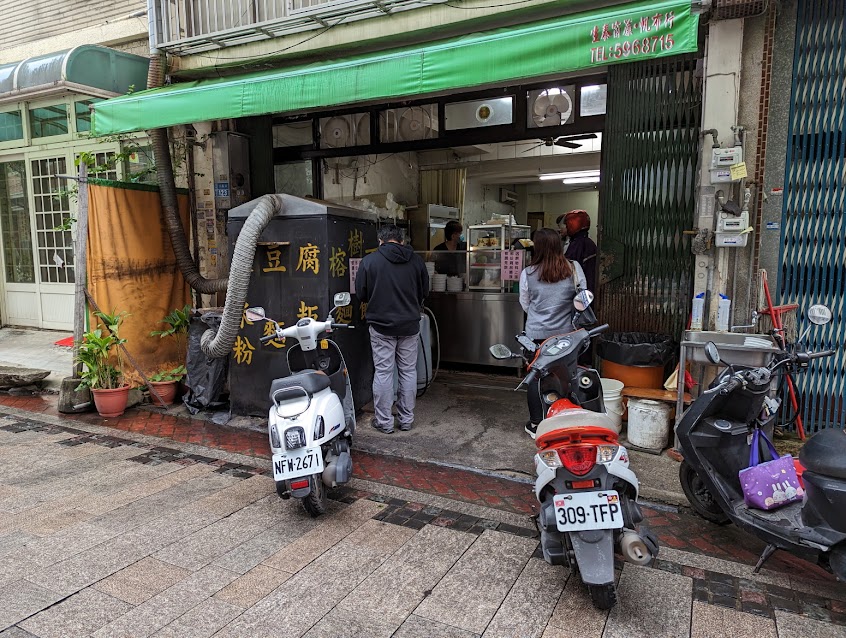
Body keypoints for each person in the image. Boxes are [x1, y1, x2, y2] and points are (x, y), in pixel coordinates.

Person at [355, 224, 429, 434]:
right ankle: (406, 420)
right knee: (407, 371)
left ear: (380, 241)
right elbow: (425, 291)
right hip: (409, 325)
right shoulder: (416, 261)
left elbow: (361, 294)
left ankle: (384, 422)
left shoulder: (370, 261)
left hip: (381, 327)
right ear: (402, 241)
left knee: (384, 372)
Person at [519, 227, 587, 439]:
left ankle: (536, 423)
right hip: (567, 336)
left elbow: (525, 304)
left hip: (536, 336)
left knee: (536, 378)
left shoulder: (528, 273)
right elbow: (583, 299)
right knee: (566, 377)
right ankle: (565, 419)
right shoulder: (574, 268)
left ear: (537, 247)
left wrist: (541, 317)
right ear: (559, 244)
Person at [562, 209, 597, 293]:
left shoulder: (578, 244)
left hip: (580, 291)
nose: (566, 228)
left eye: (567, 225)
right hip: (588, 289)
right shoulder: (588, 242)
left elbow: (568, 268)